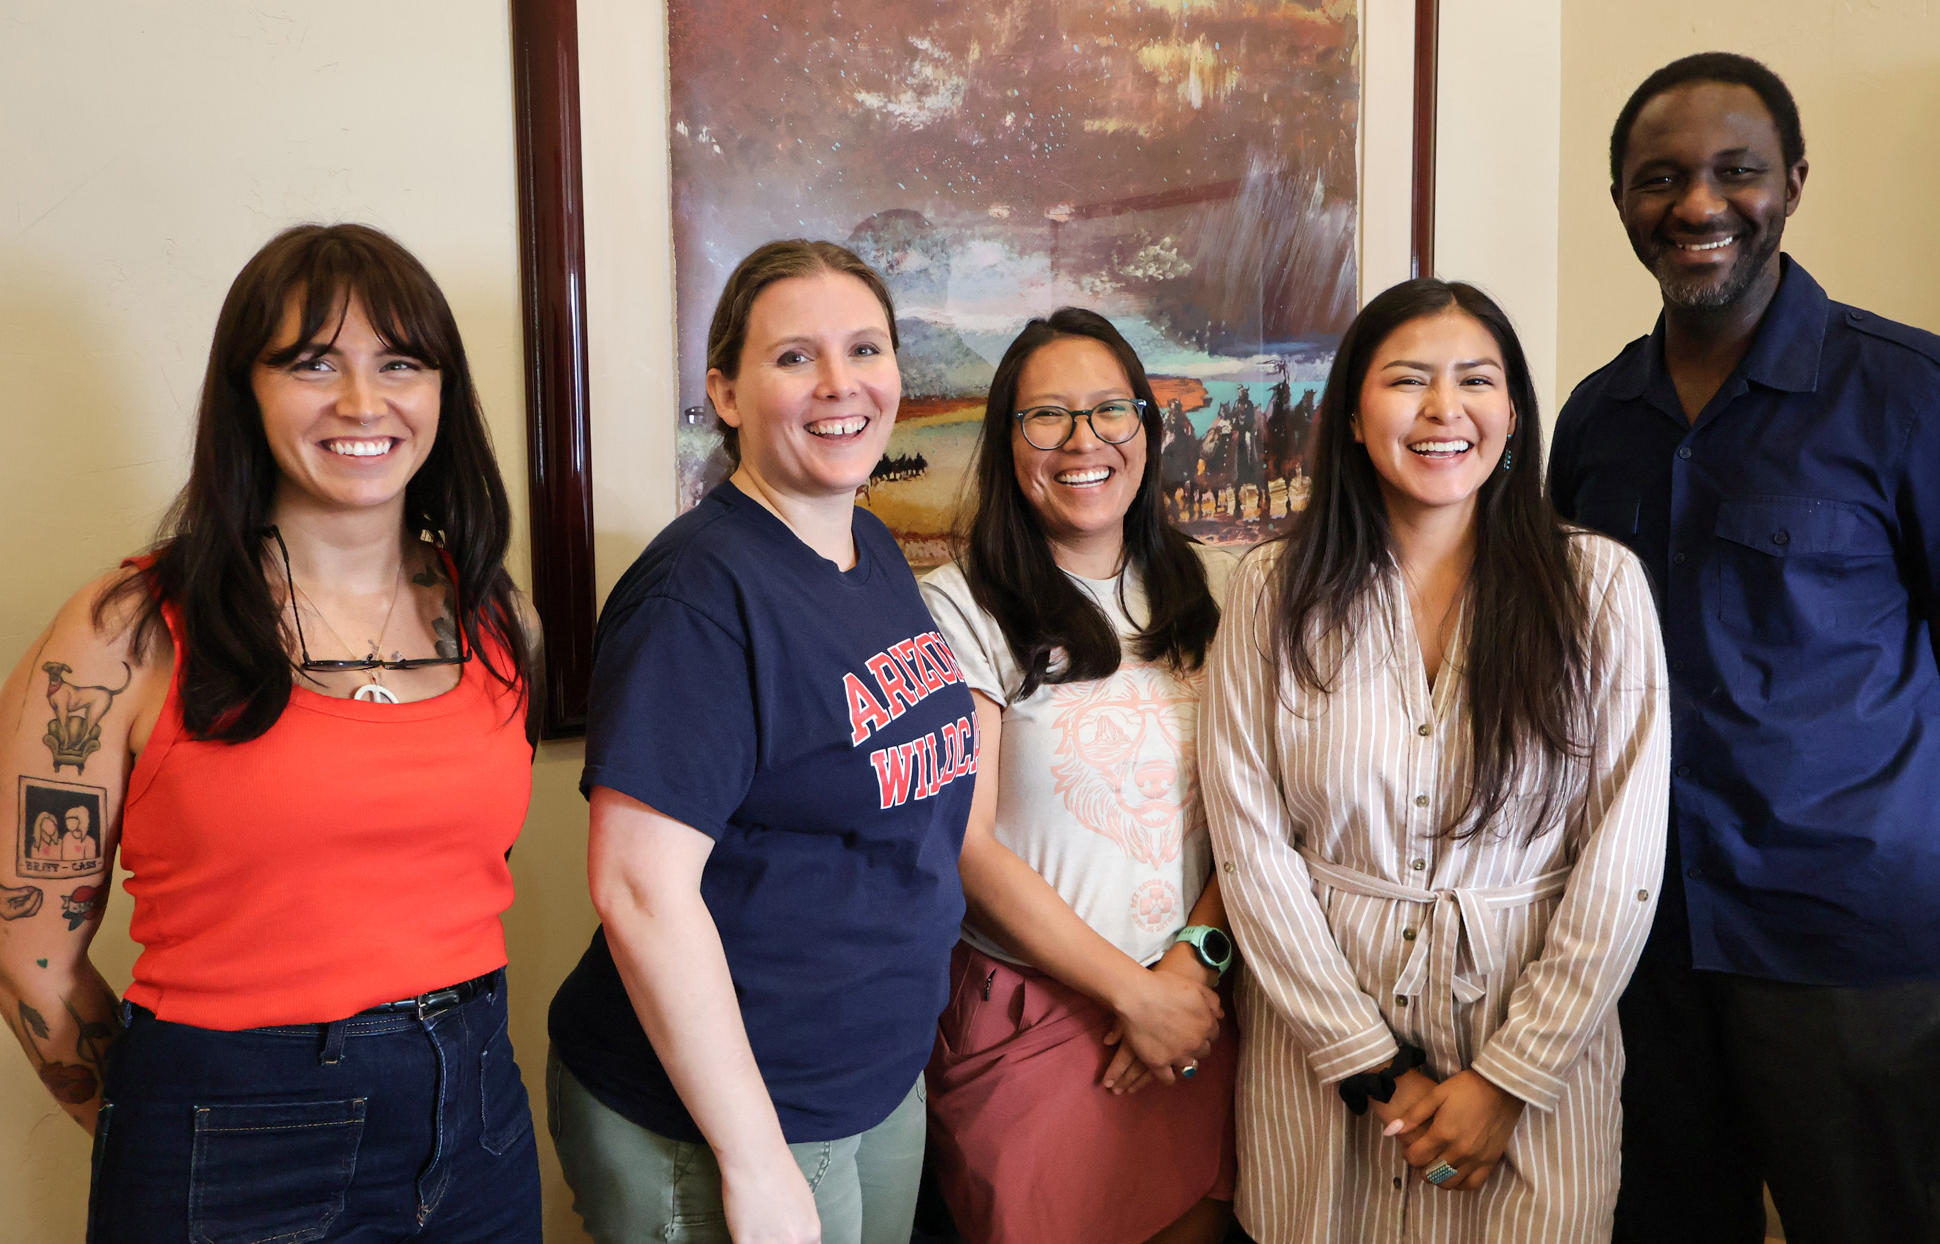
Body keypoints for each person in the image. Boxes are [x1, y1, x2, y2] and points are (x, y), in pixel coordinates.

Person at [1549, 51, 1940, 1244]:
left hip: (1854, 958)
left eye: (1735, 172)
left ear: (1791, 183)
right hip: (1638, 948)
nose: (1697, 206)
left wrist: (1889, 843)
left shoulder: (1916, 394)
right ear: (1620, 201)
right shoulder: (1591, 418)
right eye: (1657, 179)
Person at [0, 223, 544, 1240]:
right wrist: (165, 1127)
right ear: (243, 391)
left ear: (440, 393)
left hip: (478, 1120)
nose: (361, 402)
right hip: (231, 1132)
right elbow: (30, 948)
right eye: (311, 363)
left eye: (400, 363)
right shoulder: (123, 632)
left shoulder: (496, 619)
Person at [1201, 279, 1670, 1244]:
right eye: (1407, 380)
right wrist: (1373, 1065)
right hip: (1320, 1061)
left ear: (1512, 413)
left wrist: (1509, 1079)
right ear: (1352, 419)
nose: (1443, 409)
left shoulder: (1598, 586)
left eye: (1476, 381)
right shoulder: (1272, 591)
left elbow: (1621, 859)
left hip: (1539, 1055)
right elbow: (1251, 846)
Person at [546, 240, 977, 1244]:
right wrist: (753, 1162)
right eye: (794, 357)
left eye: (864, 348)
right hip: (732, 1114)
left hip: (863, 1084)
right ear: (726, 393)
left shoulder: (864, 546)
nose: (840, 384)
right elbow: (638, 890)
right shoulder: (697, 598)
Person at [918, 309, 1239, 1244]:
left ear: (1148, 424)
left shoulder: (1217, 590)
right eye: (1046, 416)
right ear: (1007, 441)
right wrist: (1130, 995)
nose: (1083, 440)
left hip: (1197, 1013)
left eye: (1110, 410)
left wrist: (1187, 969)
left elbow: (1256, 815)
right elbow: (967, 843)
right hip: (1038, 1020)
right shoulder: (958, 606)